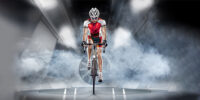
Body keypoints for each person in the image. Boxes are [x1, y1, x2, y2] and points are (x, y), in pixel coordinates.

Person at [82, 8, 107, 82]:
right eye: (92, 18)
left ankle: (100, 74)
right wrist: (84, 41)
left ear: (98, 16)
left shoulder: (102, 21)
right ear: (90, 17)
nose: (94, 19)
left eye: (95, 18)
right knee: (89, 43)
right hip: (91, 37)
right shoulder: (86, 22)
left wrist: (104, 41)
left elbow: (103, 32)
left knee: (99, 54)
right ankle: (89, 60)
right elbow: (85, 33)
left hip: (99, 37)